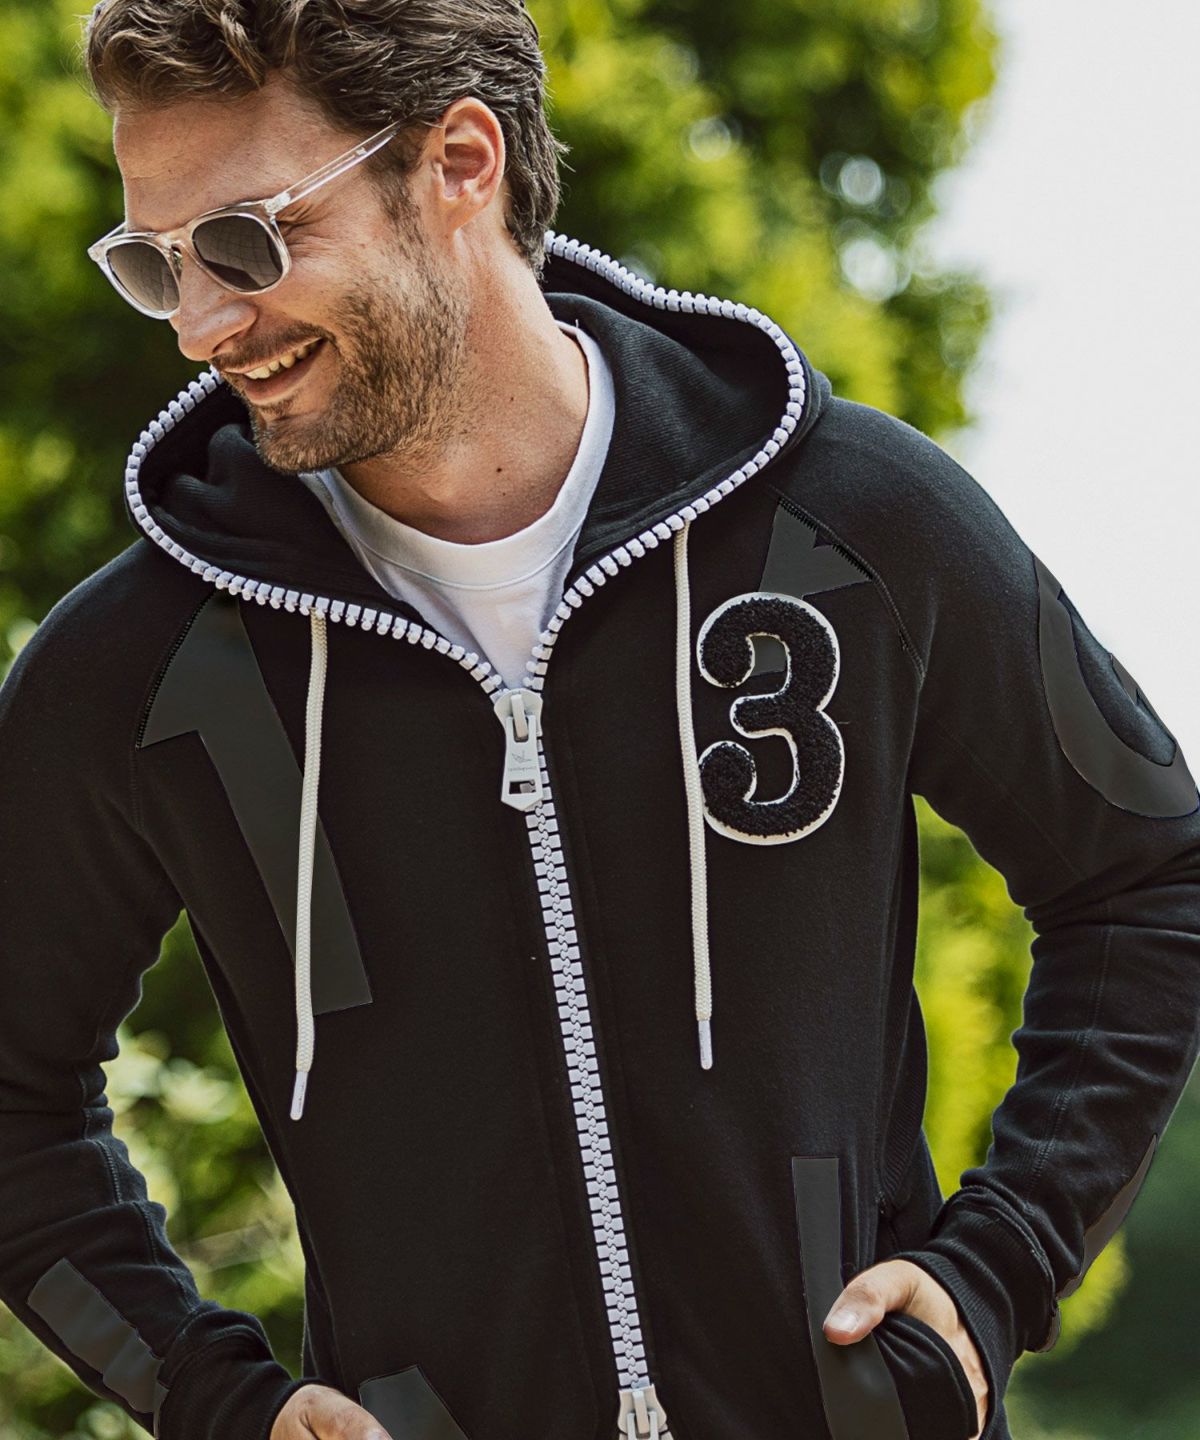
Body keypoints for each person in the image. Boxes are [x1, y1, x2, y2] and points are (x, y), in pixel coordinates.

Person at [2, 3, 1198, 1439]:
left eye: (247, 244)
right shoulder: (140, 668)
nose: (202, 324)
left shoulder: (850, 525)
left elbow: (1148, 875)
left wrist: (1003, 1262)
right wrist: (210, 1398)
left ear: (460, 163)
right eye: (155, 265)